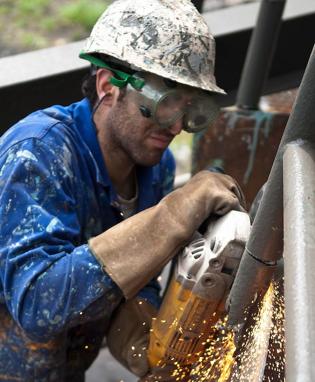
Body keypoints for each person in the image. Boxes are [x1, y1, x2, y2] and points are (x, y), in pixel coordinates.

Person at [0, 0, 245, 380]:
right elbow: (35, 306)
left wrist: (147, 341)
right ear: (107, 86)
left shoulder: (153, 165)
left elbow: (134, 277)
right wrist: (169, 217)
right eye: (163, 105)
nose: (176, 126)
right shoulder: (38, 155)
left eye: (189, 109)